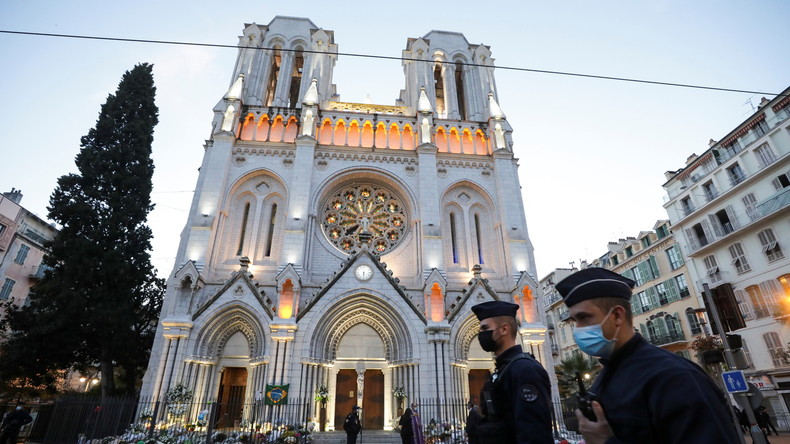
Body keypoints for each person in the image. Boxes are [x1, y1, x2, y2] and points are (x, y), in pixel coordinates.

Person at [556, 267, 742, 444]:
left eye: (584, 318)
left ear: (617, 316)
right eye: (575, 321)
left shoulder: (674, 377)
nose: (578, 330)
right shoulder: (605, 378)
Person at [471, 300, 553, 444]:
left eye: (485, 328)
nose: (481, 334)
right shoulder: (504, 369)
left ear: (504, 329)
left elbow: (534, 433)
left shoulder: (525, 370)